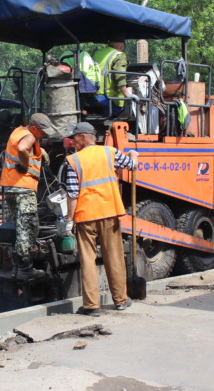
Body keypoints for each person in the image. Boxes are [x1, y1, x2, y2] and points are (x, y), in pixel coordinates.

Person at [65, 122, 138, 317]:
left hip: (85, 215)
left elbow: (72, 194)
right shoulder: (109, 152)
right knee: (114, 256)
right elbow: (132, 165)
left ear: (84, 137)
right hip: (108, 212)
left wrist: (69, 221)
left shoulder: (73, 160)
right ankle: (121, 300)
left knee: (88, 260)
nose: (73, 142)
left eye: (74, 138)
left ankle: (91, 306)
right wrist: (134, 155)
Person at [0, 113, 55, 281]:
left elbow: (24, 145)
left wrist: (40, 150)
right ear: (33, 128)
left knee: (19, 227)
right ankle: (25, 268)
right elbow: (23, 148)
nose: (44, 135)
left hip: (11, 187)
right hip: (23, 188)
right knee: (29, 228)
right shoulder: (29, 137)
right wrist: (25, 164)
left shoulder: (17, 131)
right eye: (42, 132)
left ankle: (17, 268)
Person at [92, 35, 130, 117]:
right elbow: (120, 80)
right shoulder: (119, 56)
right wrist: (128, 95)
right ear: (122, 45)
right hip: (108, 97)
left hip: (92, 95)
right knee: (124, 108)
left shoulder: (97, 53)